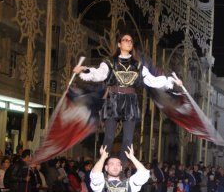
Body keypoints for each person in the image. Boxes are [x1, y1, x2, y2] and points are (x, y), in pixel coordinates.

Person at [73, 33, 182, 161]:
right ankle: (103, 166)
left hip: (130, 100)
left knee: (128, 139)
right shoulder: (110, 62)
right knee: (108, 137)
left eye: (130, 40)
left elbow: (153, 81)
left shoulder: (138, 65)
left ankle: (121, 170)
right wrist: (84, 70)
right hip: (113, 99)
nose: (129, 42)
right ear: (119, 44)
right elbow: (99, 74)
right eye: (125, 40)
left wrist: (172, 81)